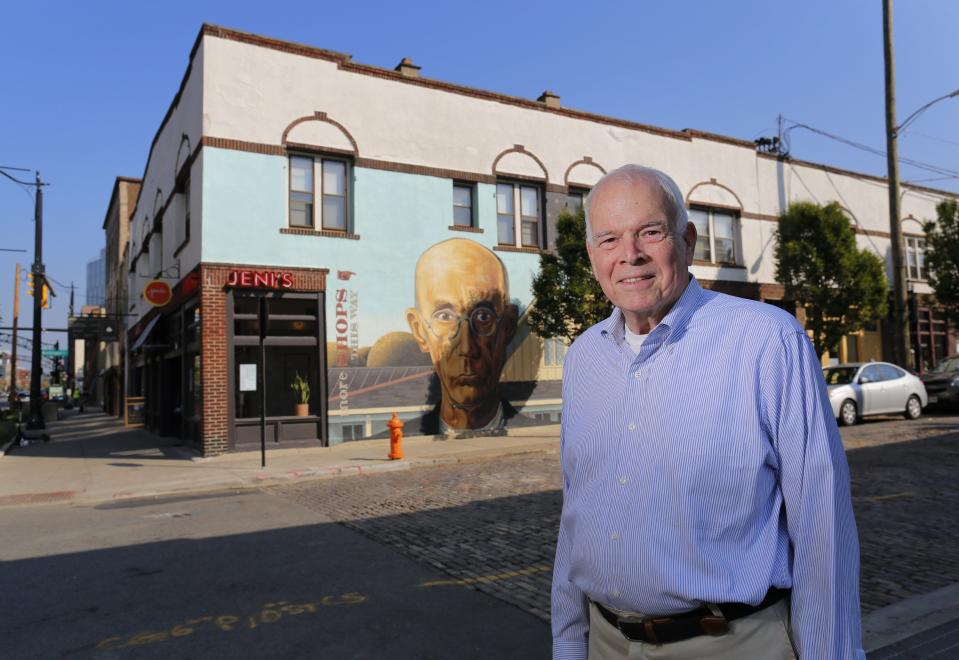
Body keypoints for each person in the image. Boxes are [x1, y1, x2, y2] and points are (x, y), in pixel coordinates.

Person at [551, 165, 865, 659]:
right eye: (608, 239)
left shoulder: (767, 340)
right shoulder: (584, 357)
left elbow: (821, 526)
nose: (629, 255)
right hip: (606, 643)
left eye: (649, 232)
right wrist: (569, 644)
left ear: (688, 240)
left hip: (731, 644)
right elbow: (576, 516)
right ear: (592, 254)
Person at [405, 238, 530, 435]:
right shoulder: (401, 440)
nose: (466, 348)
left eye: (483, 316)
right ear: (420, 331)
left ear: (508, 326)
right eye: (444, 316)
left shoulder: (530, 436)